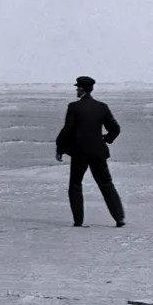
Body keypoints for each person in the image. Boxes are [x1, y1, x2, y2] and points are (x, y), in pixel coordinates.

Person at [55, 75, 125, 227]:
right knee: (106, 184)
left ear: (81, 89)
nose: (76, 90)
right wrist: (105, 139)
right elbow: (115, 129)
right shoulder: (102, 107)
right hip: (98, 152)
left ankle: (78, 221)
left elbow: (67, 130)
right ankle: (119, 219)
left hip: (79, 152)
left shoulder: (74, 107)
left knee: (75, 185)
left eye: (77, 88)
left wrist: (60, 148)